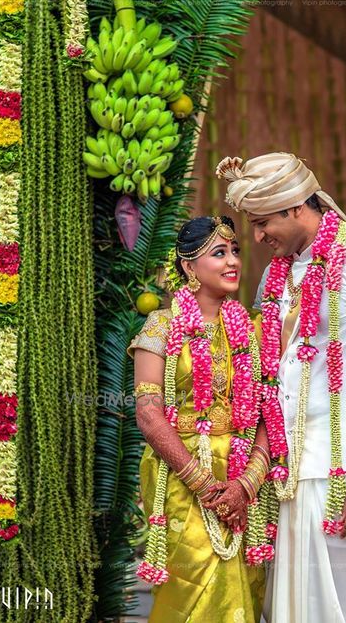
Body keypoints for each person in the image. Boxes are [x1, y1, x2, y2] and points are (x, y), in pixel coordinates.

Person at [216, 153, 346, 623]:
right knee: (286, 606)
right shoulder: (274, 276)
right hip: (284, 475)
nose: (258, 238)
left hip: (344, 473)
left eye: (263, 223)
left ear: (295, 207)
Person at [128, 216, 272, 623]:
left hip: (242, 477)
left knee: (242, 586)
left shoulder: (251, 328)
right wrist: (204, 485)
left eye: (235, 252)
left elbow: (269, 410)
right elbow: (149, 414)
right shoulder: (161, 325)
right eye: (219, 253)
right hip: (181, 475)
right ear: (189, 267)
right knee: (194, 586)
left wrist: (247, 483)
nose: (233, 262)